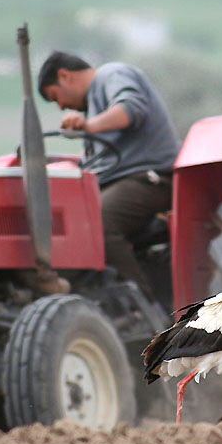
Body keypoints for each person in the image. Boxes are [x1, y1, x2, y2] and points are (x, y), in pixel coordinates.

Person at [38, 51, 180, 304]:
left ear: (64, 76)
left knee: (97, 223)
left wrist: (88, 126)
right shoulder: (94, 103)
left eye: (55, 97)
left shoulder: (111, 73)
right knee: (67, 224)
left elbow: (131, 108)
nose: (61, 107)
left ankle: (144, 309)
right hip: (122, 181)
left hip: (150, 176)